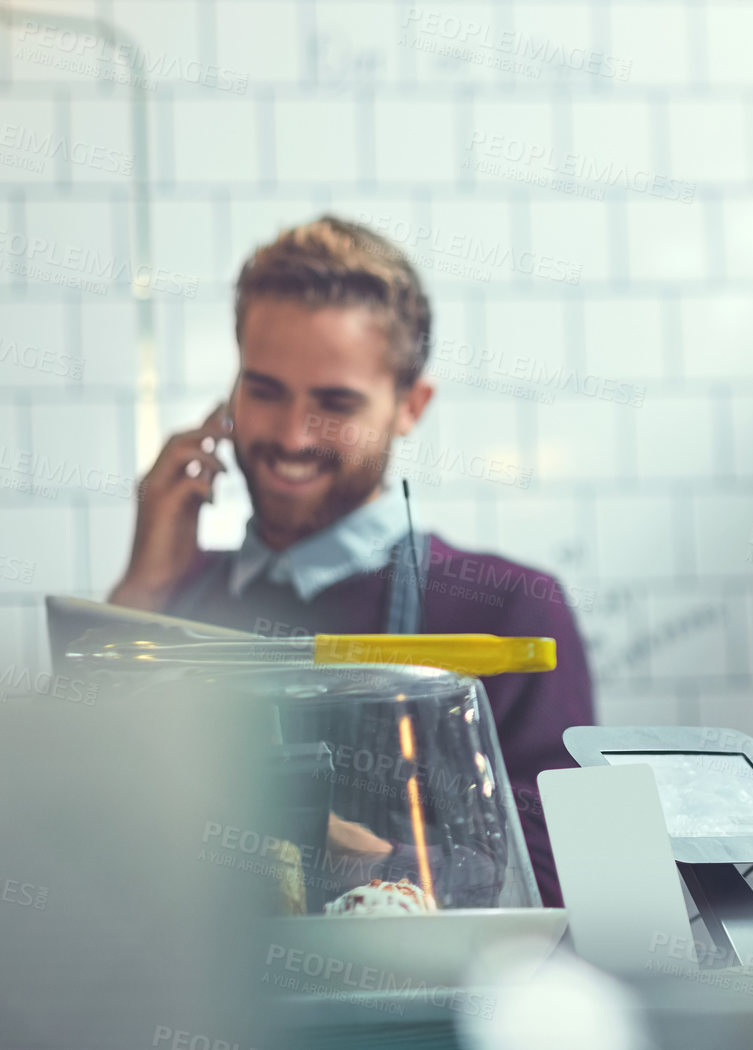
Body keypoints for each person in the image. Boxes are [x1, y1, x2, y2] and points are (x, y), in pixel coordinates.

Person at [108, 215, 593, 908]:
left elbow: (558, 880)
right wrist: (145, 586)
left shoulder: (508, 609)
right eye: (265, 390)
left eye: (334, 403)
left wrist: (325, 847)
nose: (291, 436)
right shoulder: (167, 600)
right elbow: (79, 839)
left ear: (409, 406)